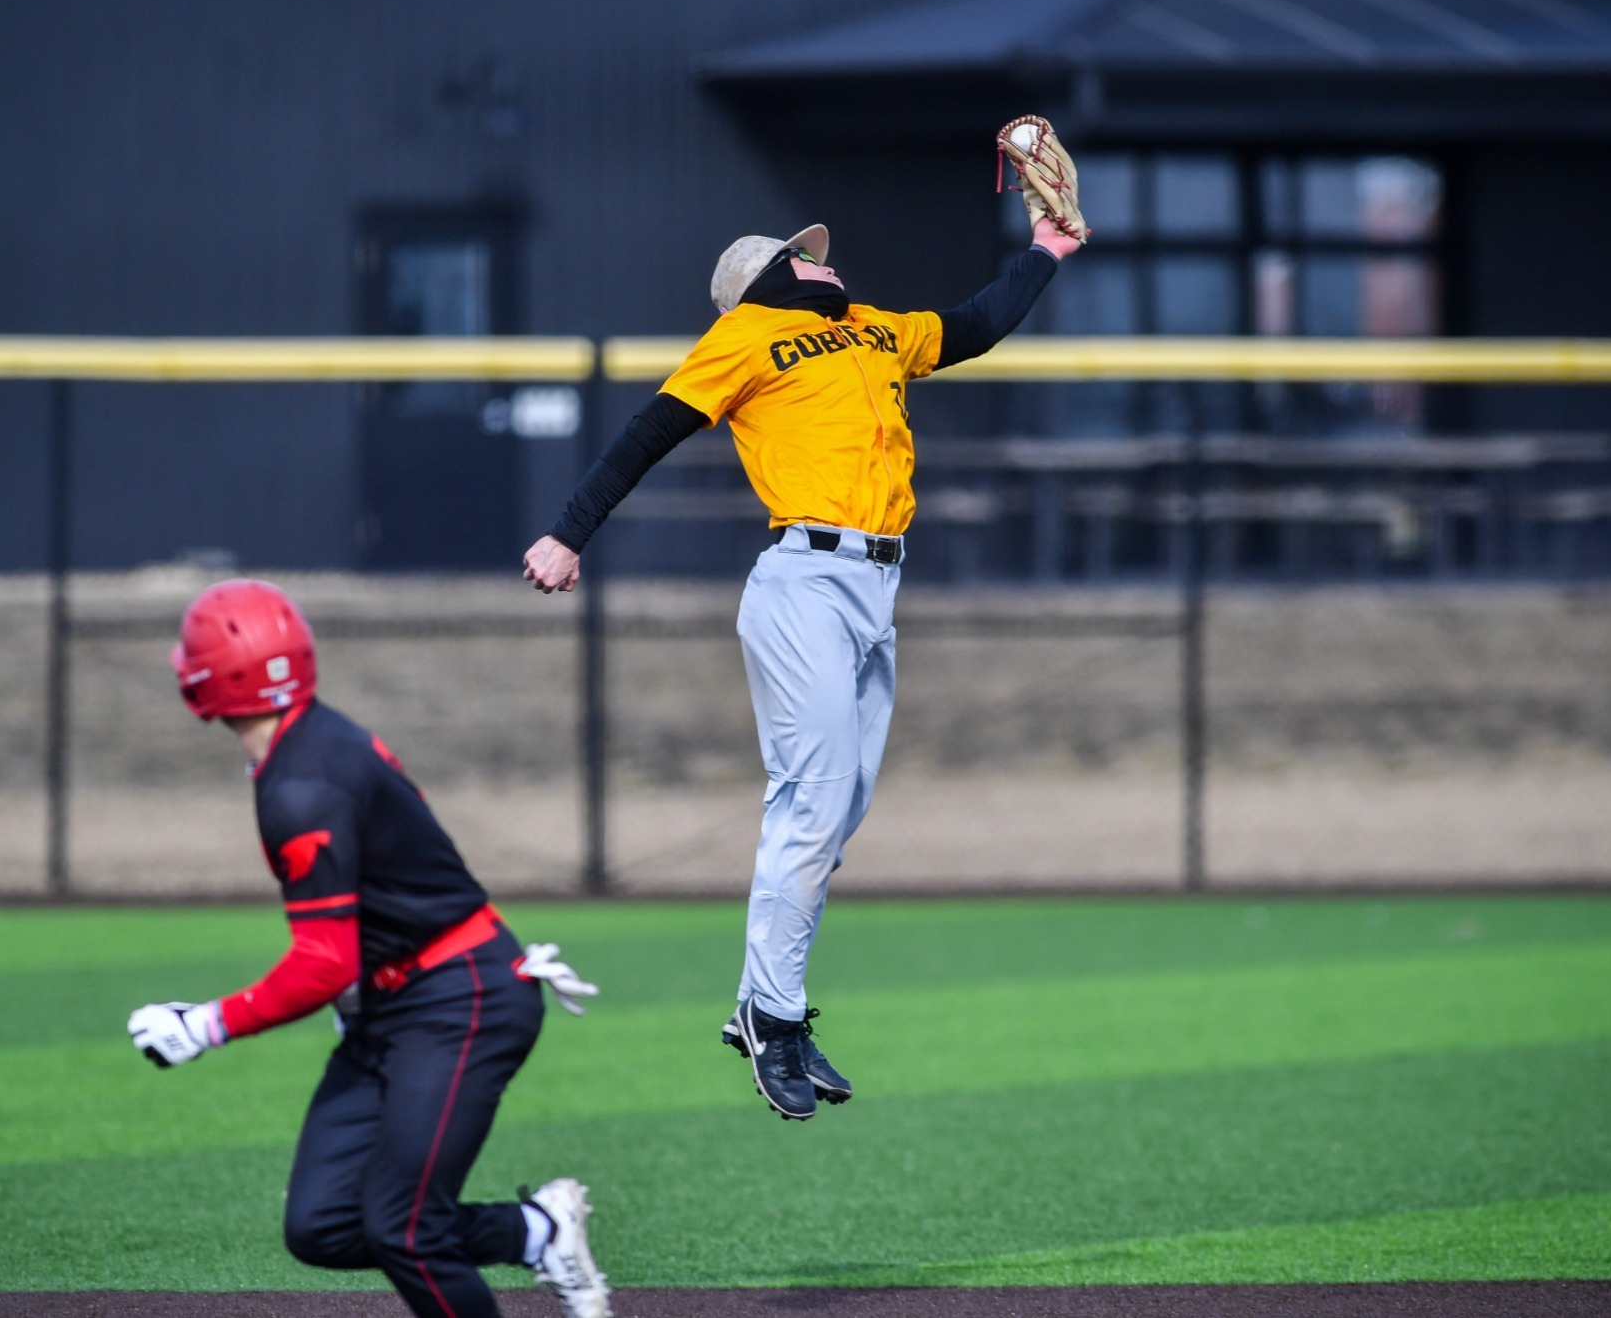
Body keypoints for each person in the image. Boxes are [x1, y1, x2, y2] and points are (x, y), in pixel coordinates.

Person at [522, 212, 1080, 1120]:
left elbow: (977, 322)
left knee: (837, 809)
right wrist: (567, 532)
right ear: (767, 278)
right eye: (800, 255)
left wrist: (1047, 251)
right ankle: (774, 1015)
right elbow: (646, 433)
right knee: (812, 801)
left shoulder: (875, 328)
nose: (821, 260)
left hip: (875, 589)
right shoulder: (743, 333)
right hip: (803, 583)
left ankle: (763, 1004)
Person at [126, 579, 610, 1318]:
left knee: (404, 1228)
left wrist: (204, 1025)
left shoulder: (300, 786)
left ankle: (534, 1237)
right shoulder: (311, 741)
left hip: (462, 998)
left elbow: (324, 962)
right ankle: (537, 1231)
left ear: (207, 682)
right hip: (398, 1002)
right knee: (322, 1225)